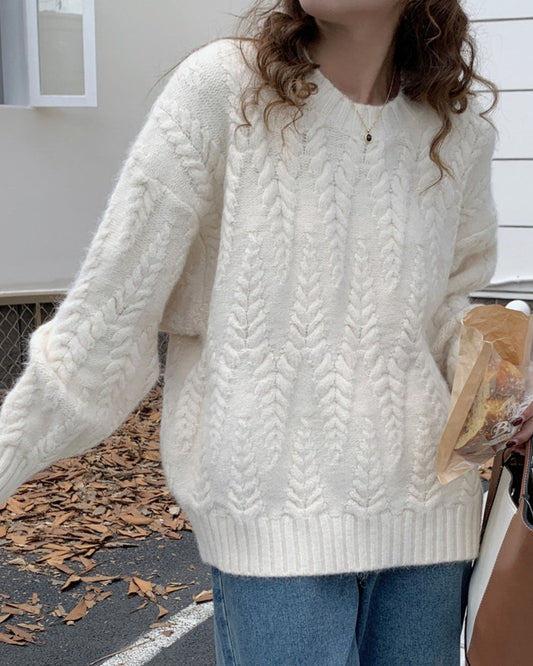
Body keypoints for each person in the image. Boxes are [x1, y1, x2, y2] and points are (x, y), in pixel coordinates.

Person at [1, 0, 531, 663]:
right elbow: (106, 319)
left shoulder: (456, 131)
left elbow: (451, 314)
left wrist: (510, 401)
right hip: (274, 528)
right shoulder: (225, 91)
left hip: (429, 529)